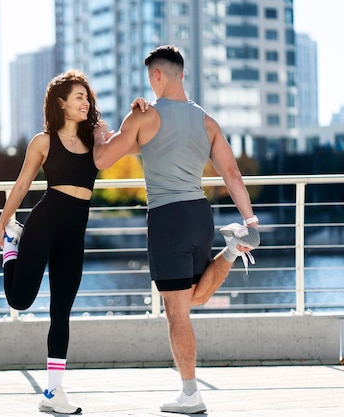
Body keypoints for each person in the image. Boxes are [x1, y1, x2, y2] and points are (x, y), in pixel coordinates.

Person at [93, 45, 260, 414]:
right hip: (201, 214)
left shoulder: (142, 117)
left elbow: (103, 160)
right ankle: (232, 248)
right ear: (181, 74)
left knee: (177, 312)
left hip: (167, 218)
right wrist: (250, 221)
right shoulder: (206, 121)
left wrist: (102, 133)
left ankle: (190, 394)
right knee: (195, 298)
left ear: (155, 76)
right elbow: (231, 173)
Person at [0, 69, 101, 415]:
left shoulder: (94, 140)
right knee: (21, 299)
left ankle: (53, 392)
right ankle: (13, 247)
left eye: (87, 96)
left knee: (62, 310)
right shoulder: (43, 142)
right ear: (62, 103)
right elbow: (23, 183)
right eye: (79, 97)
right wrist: (2, 222)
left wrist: (140, 108)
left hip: (75, 231)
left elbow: (132, 140)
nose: (86, 102)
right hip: (45, 222)